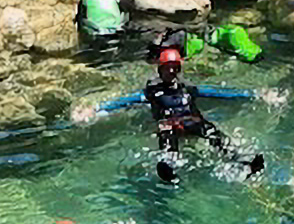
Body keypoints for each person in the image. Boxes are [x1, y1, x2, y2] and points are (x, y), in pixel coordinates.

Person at [98, 49, 265, 182]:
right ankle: (168, 166)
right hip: (169, 125)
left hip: (191, 122)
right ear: (160, 69)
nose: (171, 71)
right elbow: (126, 101)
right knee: (167, 132)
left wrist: (252, 94)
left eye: (175, 67)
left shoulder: (188, 89)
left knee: (210, 129)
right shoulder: (151, 92)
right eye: (167, 67)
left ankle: (241, 160)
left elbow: (219, 93)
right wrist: (99, 110)